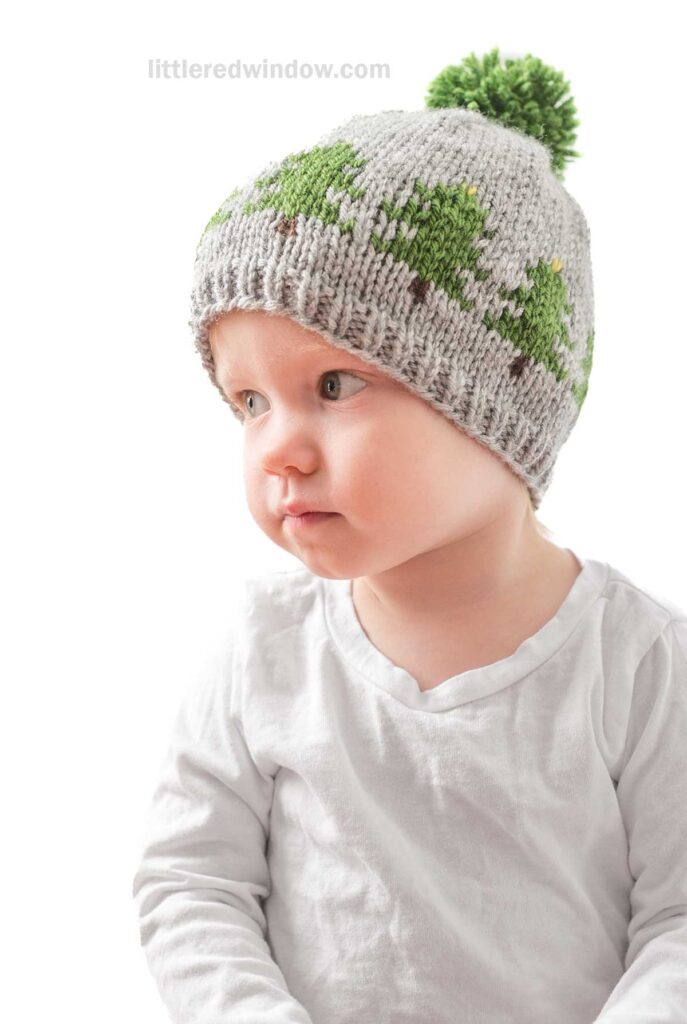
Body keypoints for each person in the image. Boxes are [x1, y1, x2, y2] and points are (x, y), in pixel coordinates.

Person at [131, 48, 687, 1022]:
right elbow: (192, 883)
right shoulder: (267, 646)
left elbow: (680, 920)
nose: (279, 450)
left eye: (334, 386)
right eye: (248, 401)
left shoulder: (637, 663)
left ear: (498, 399)